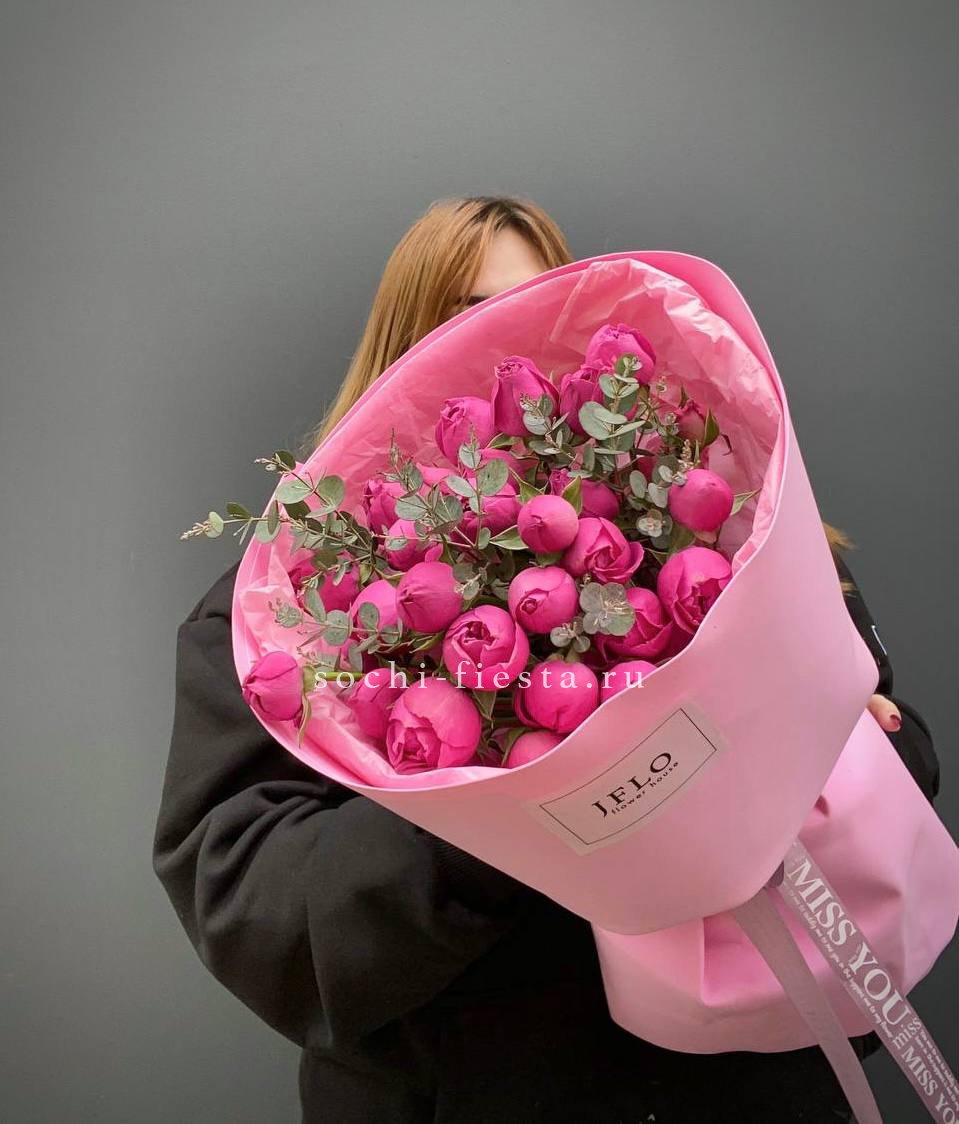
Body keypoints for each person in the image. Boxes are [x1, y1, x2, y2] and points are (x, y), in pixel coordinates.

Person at [153, 196, 941, 1123]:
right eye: (464, 314)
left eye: (533, 309)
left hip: (745, 1087)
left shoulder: (737, 530)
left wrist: (823, 740)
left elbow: (902, 753)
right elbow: (255, 909)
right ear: (403, 350)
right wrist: (510, 815)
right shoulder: (290, 620)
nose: (504, 346)